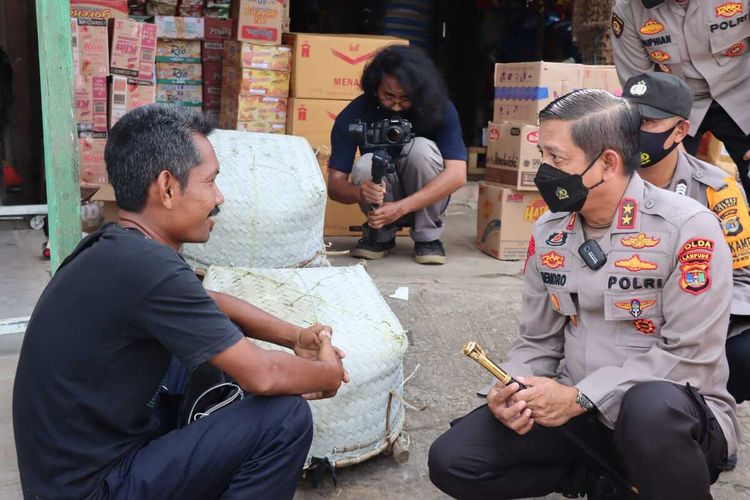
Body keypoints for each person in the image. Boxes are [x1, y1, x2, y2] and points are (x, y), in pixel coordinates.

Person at [12, 104, 349, 500]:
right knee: (283, 418)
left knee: (212, 346)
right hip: (94, 488)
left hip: (61, 481)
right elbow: (263, 376)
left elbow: (210, 303)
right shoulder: (148, 266)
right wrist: (329, 373)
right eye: (210, 182)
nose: (219, 197)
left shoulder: (115, 246)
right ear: (168, 188)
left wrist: (293, 337)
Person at [428, 89, 738, 499]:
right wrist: (510, 390)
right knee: (454, 458)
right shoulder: (549, 232)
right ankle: (603, 481)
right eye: (543, 157)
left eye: (557, 159)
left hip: (672, 419)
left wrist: (581, 397)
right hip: (578, 413)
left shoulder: (687, 228)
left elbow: (688, 360)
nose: (545, 170)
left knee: (651, 410)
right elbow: (537, 341)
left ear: (607, 163)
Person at [622, 71, 750, 405]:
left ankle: (705, 416)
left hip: (692, 316)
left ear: (681, 130)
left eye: (647, 122)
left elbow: (741, 279)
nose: (633, 131)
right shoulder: (599, 174)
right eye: (626, 119)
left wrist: (690, 324)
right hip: (618, 309)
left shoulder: (717, 190)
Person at [327, 45, 467, 265]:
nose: (396, 105)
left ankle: (427, 238)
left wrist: (402, 207)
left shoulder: (440, 109)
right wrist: (359, 193)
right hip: (382, 196)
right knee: (365, 164)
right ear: (374, 88)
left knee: (421, 148)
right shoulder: (355, 114)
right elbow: (334, 185)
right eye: (389, 96)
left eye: (405, 98)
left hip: (423, 197)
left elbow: (458, 175)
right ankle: (379, 236)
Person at [610, 0, 750, 197]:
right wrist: (670, 148)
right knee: (666, 188)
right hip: (673, 105)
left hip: (742, 91)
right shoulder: (629, 9)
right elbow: (638, 88)